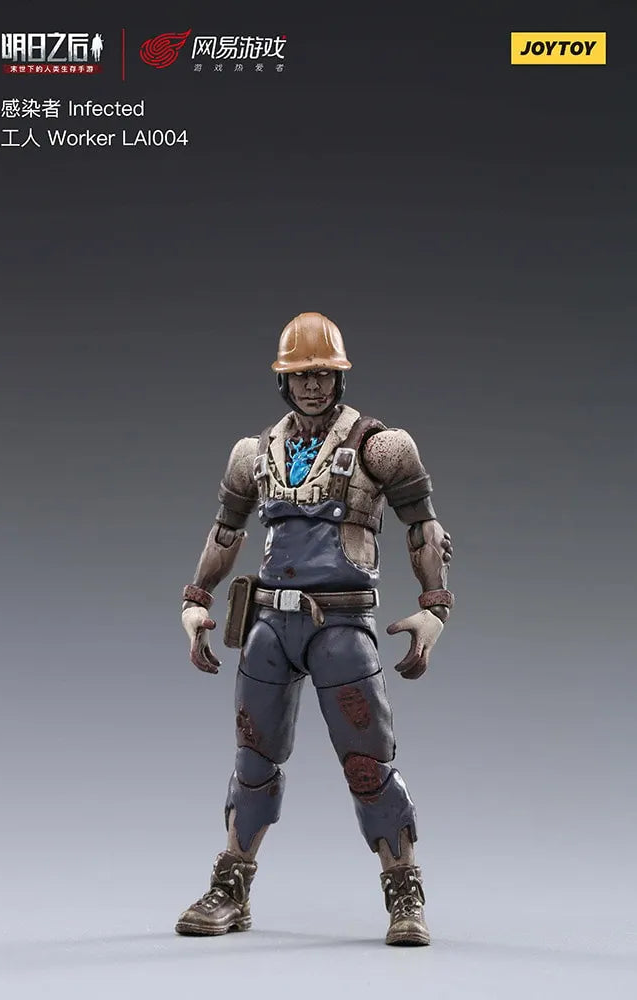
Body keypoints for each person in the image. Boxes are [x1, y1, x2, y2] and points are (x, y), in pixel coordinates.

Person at [175, 311, 453, 945]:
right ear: (283, 380)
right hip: (270, 626)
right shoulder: (255, 454)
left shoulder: (381, 447)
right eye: (300, 375)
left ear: (339, 376)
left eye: (322, 373)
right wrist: (195, 599)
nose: (311, 385)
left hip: (342, 626)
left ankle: (404, 893)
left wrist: (435, 607)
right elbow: (226, 531)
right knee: (252, 759)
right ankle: (231, 888)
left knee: (367, 762)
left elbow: (423, 527)